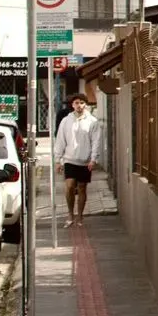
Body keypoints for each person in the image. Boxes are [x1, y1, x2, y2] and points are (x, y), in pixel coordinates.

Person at [53, 93, 103, 228]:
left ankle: (80, 215)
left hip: (85, 160)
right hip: (70, 159)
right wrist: (58, 160)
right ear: (72, 105)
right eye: (76, 103)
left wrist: (93, 159)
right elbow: (60, 140)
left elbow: (96, 141)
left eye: (81, 103)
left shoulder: (92, 121)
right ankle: (70, 214)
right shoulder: (66, 121)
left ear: (85, 104)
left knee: (82, 188)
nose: (79, 105)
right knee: (69, 186)